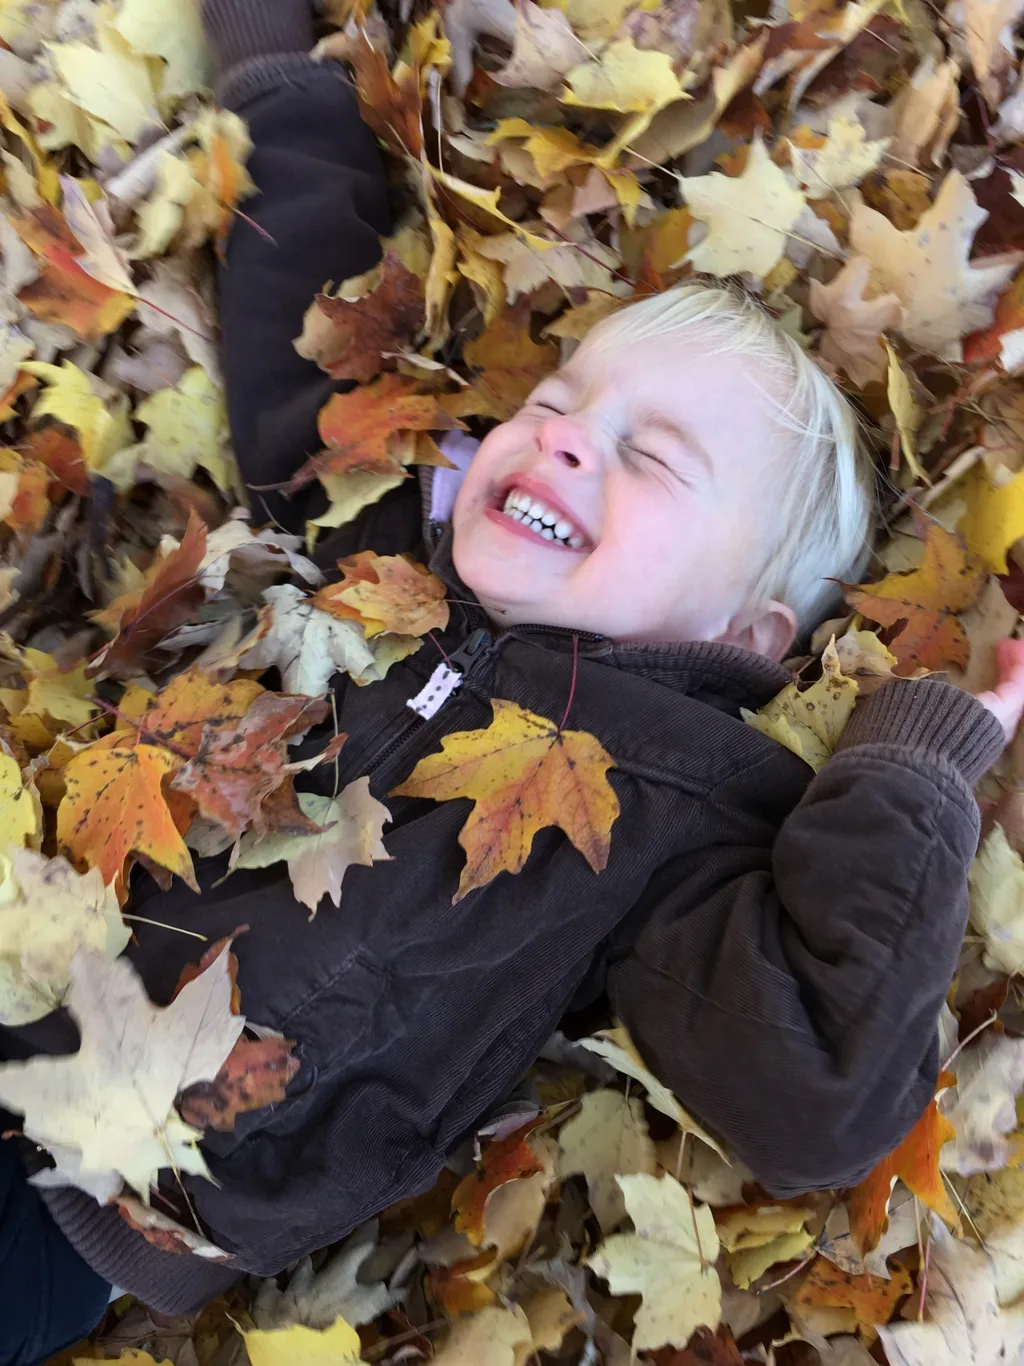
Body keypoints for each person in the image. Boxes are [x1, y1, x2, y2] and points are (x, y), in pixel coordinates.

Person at [4, 2, 1024, 1360]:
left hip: (104, 1192)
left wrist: (911, 764)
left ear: (749, 631)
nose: (561, 440)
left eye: (648, 456)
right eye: (555, 401)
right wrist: (274, 69)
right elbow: (303, 321)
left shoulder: (676, 822)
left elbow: (818, 1098)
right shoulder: (388, 556)